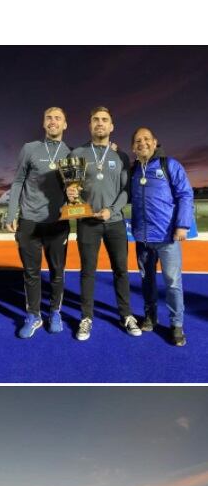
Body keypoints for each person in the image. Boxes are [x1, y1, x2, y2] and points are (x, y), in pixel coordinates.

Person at [68, 107, 142, 340]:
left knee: (121, 270)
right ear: (90, 126)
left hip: (115, 222)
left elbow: (125, 191)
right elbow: (72, 187)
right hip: (87, 222)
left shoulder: (120, 157)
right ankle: (86, 317)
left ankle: (126, 314)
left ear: (111, 126)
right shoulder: (77, 153)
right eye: (95, 120)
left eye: (104, 120)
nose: (100, 123)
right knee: (87, 271)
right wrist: (70, 191)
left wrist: (111, 210)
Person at [4, 106, 71, 337]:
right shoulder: (30, 149)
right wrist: (12, 214)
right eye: (49, 118)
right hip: (29, 221)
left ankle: (54, 311)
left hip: (57, 222)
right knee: (31, 272)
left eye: (58, 118)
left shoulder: (71, 154)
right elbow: (17, 182)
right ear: (44, 123)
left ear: (65, 124)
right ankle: (34, 315)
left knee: (57, 272)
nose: (53, 121)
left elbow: (75, 188)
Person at [129, 127, 194, 346]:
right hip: (142, 238)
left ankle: (176, 324)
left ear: (155, 142)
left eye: (147, 139)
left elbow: (185, 193)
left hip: (167, 238)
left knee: (173, 283)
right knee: (147, 281)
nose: (143, 143)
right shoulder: (134, 170)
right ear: (133, 147)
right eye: (138, 140)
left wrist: (182, 225)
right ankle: (150, 316)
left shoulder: (169, 165)